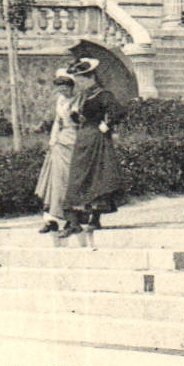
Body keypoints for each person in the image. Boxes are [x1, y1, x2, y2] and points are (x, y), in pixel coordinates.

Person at [59, 56, 126, 235]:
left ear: (92, 77)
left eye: (82, 79)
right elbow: (81, 117)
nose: (79, 83)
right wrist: (75, 116)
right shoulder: (84, 96)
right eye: (78, 80)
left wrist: (107, 125)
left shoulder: (103, 94)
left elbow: (118, 111)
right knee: (79, 177)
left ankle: (94, 219)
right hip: (83, 139)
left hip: (96, 139)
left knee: (97, 177)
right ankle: (74, 220)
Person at [33, 71, 79, 233]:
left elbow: (81, 122)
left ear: (71, 87)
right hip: (60, 141)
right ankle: (50, 218)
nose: (63, 93)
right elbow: (57, 122)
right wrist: (52, 140)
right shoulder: (60, 101)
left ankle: (71, 218)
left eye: (65, 89)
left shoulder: (79, 100)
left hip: (74, 140)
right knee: (54, 180)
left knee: (67, 181)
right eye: (60, 90)